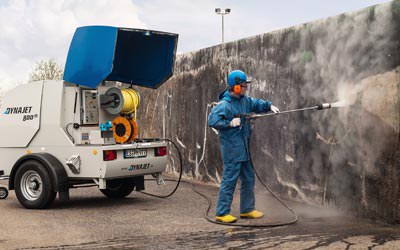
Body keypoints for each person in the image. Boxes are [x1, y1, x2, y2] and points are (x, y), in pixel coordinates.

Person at [208, 70, 280, 223]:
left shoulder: (245, 101)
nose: (246, 88)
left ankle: (247, 210)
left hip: (244, 149)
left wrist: (269, 106)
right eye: (243, 85)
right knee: (230, 180)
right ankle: (221, 213)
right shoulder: (225, 105)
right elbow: (212, 120)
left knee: (248, 178)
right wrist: (229, 123)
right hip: (232, 150)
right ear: (235, 87)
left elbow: (256, 104)